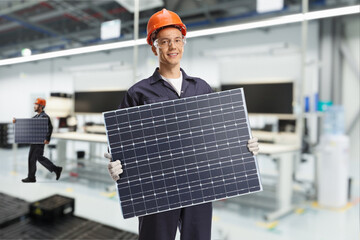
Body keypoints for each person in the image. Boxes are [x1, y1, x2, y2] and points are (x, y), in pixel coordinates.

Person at [105, 9, 259, 240]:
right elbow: (120, 143)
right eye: (164, 42)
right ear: (153, 46)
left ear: (184, 44)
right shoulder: (138, 93)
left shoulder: (202, 88)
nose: (172, 47)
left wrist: (244, 146)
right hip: (156, 188)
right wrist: (115, 165)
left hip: (198, 184)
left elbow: (217, 133)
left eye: (177, 40)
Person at [13, 98, 62, 183]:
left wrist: (47, 138)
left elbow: (50, 127)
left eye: (36, 104)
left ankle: (33, 177)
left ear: (41, 106)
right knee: (36, 158)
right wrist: (16, 122)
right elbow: (28, 123)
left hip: (39, 141)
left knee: (35, 158)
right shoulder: (36, 116)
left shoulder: (44, 116)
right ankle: (55, 169)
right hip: (35, 140)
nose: (34, 106)